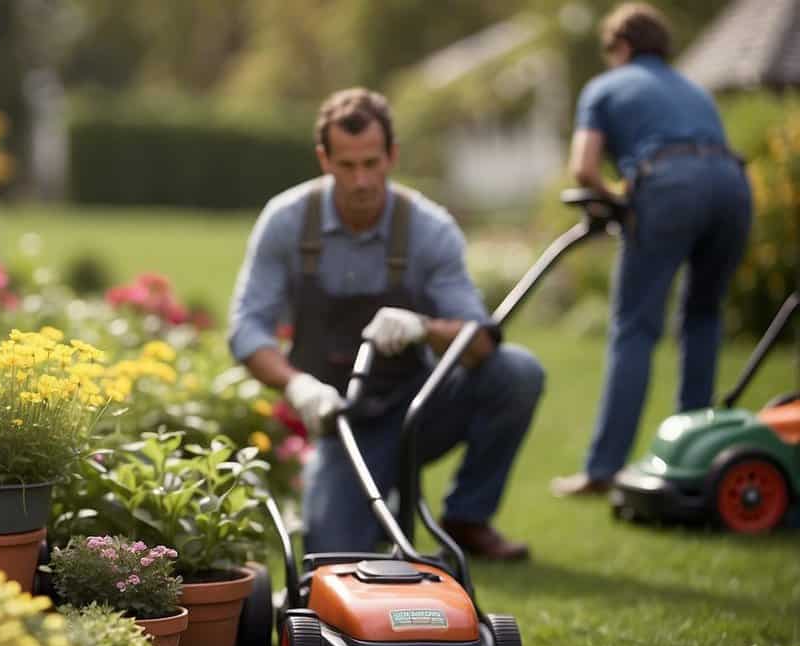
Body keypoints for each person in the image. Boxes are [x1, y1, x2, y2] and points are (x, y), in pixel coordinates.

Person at [227, 87, 544, 562]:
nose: (361, 180)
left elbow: (479, 344)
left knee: (516, 371)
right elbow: (246, 329)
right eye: (347, 165)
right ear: (324, 159)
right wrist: (298, 387)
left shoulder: (429, 229)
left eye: (372, 163)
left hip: (420, 410)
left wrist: (424, 328)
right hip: (341, 421)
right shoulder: (287, 223)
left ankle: (467, 518)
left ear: (392, 156)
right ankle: (375, 505)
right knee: (330, 556)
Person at [550, 3, 753, 498]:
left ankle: (602, 470)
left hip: (668, 185)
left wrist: (618, 197)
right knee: (703, 318)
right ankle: (694, 459)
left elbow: (584, 169)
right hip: (732, 184)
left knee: (635, 327)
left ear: (620, 46)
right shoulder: (693, 88)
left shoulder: (603, 87)